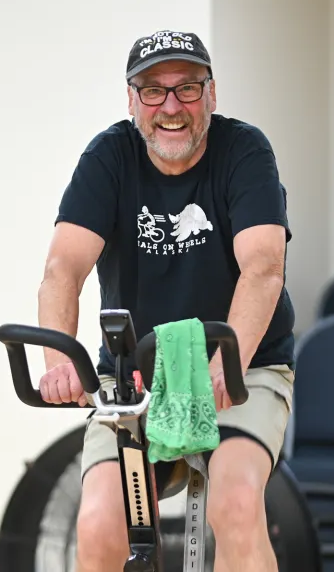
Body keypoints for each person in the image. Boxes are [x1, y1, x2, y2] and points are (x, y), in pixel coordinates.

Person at [36, 30, 296, 572]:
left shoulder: (244, 151)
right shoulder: (110, 156)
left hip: (241, 362)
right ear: (132, 100)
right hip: (136, 375)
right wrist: (59, 362)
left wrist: (230, 359)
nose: (170, 107)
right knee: (101, 522)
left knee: (236, 505)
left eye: (187, 89)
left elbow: (264, 266)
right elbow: (64, 268)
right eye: (152, 90)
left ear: (213, 94)